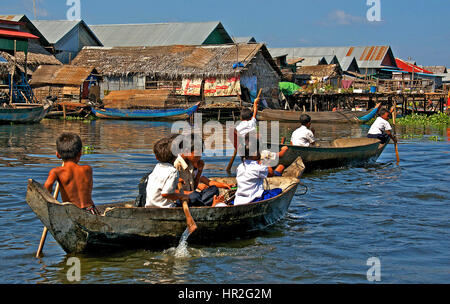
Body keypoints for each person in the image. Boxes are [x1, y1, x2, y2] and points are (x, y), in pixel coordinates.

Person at [213, 138, 283, 207]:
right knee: (278, 191)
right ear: (256, 152)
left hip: (239, 201)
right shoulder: (258, 168)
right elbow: (271, 173)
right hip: (253, 200)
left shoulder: (240, 166)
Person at [44, 133, 100, 215]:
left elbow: (47, 185)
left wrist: (49, 202)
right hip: (91, 210)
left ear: (57, 155)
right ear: (80, 153)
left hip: (73, 213)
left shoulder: (56, 171)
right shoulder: (88, 169)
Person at [173, 133, 235, 207]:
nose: (199, 158)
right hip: (182, 199)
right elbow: (169, 192)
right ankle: (210, 205)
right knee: (195, 196)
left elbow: (195, 186)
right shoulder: (176, 165)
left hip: (193, 197)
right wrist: (189, 193)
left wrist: (199, 171)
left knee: (213, 190)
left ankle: (203, 204)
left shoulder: (191, 163)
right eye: (196, 155)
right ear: (186, 151)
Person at [145, 136, 189, 208]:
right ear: (176, 156)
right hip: (165, 207)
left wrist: (177, 180)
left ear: (156, 157)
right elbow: (166, 194)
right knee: (195, 197)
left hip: (150, 205)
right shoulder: (173, 171)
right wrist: (182, 196)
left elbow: (161, 182)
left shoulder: (157, 167)